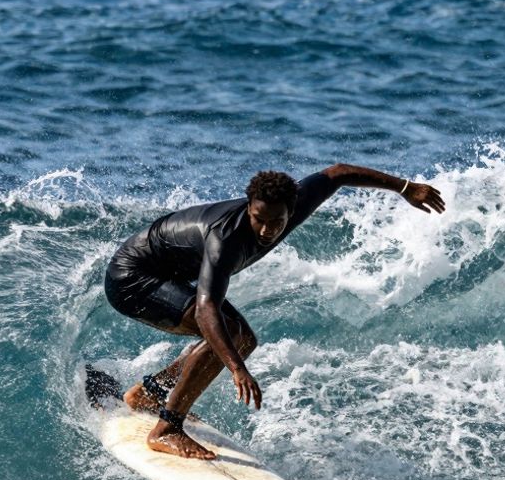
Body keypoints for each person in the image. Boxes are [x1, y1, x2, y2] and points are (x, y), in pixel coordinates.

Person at [103, 164, 446, 459]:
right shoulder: (225, 238)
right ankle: (167, 428)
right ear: (249, 206)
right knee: (231, 338)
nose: (266, 230)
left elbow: (339, 174)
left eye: (276, 222)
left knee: (243, 339)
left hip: (166, 274)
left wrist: (405, 187)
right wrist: (237, 369)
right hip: (132, 280)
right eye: (258, 219)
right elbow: (207, 308)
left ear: (292, 209)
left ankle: (150, 393)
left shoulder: (296, 201)